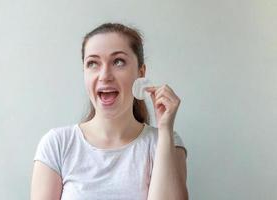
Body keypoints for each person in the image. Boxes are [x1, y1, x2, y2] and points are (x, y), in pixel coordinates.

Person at [30, 22, 188, 200]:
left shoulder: (167, 141)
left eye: (118, 62)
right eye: (93, 63)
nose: (105, 75)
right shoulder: (57, 144)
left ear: (141, 73)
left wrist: (165, 129)